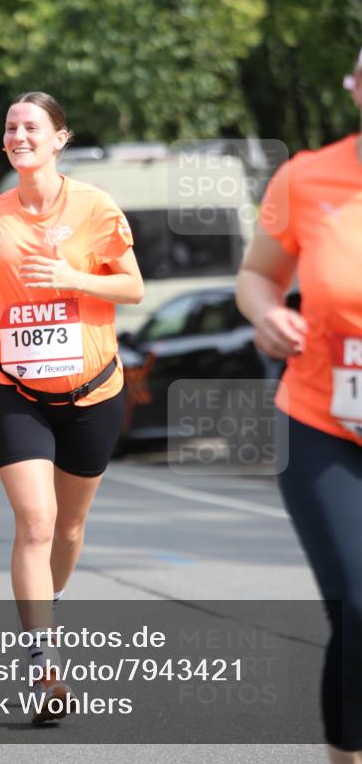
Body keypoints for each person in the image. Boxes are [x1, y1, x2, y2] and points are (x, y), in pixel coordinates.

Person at [0, 91, 143, 722]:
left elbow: (133, 286)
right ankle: (43, 664)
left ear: (59, 138)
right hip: (15, 388)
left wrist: (75, 279)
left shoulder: (95, 206)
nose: (18, 135)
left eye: (31, 126)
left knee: (67, 528)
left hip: (93, 392)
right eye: (10, 126)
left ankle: (50, 598)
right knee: (35, 524)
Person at [236, 50, 362, 764]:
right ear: (353, 88)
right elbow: (257, 275)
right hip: (321, 423)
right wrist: (267, 314)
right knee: (355, 603)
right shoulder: (304, 178)